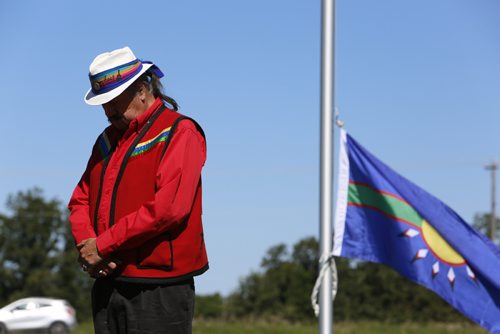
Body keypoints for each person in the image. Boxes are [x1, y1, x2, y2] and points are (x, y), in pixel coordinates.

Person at [68, 46, 208, 334]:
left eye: (113, 101)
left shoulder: (180, 132)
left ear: (142, 90)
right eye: (103, 103)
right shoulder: (107, 140)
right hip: (108, 283)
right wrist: (88, 246)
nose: (108, 111)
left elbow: (169, 208)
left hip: (158, 288)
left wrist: (103, 245)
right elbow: (80, 199)